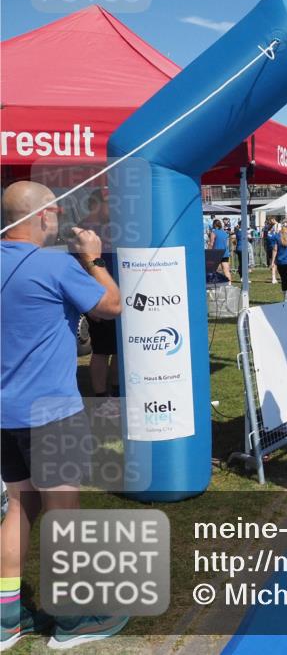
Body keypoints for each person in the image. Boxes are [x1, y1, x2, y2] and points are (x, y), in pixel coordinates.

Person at [1, 182, 128, 648]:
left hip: (6, 413)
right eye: (55, 213)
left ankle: (6, 619)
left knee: (19, 508)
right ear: (44, 217)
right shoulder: (56, 264)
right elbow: (112, 306)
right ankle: (75, 620)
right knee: (63, 513)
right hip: (51, 411)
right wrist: (92, 259)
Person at [77, 189, 119, 408]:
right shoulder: (82, 232)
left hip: (118, 296)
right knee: (102, 350)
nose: (116, 206)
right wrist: (90, 306)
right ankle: (102, 398)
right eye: (111, 201)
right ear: (97, 203)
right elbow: (77, 270)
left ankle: (117, 393)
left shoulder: (113, 228)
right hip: (98, 300)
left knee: (120, 348)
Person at [209, 218, 231, 282]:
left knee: (213, 270)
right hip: (225, 253)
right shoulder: (224, 233)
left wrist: (209, 252)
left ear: (214, 225)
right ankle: (229, 284)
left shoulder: (213, 232)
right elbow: (226, 244)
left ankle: (214, 284)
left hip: (216, 253)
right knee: (226, 270)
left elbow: (211, 243)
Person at [265, 218, 279, 284]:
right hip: (272, 248)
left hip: (273, 248)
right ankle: (273, 278)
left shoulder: (276, 227)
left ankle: (275, 277)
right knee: (273, 263)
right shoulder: (269, 231)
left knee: (275, 263)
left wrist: (275, 223)